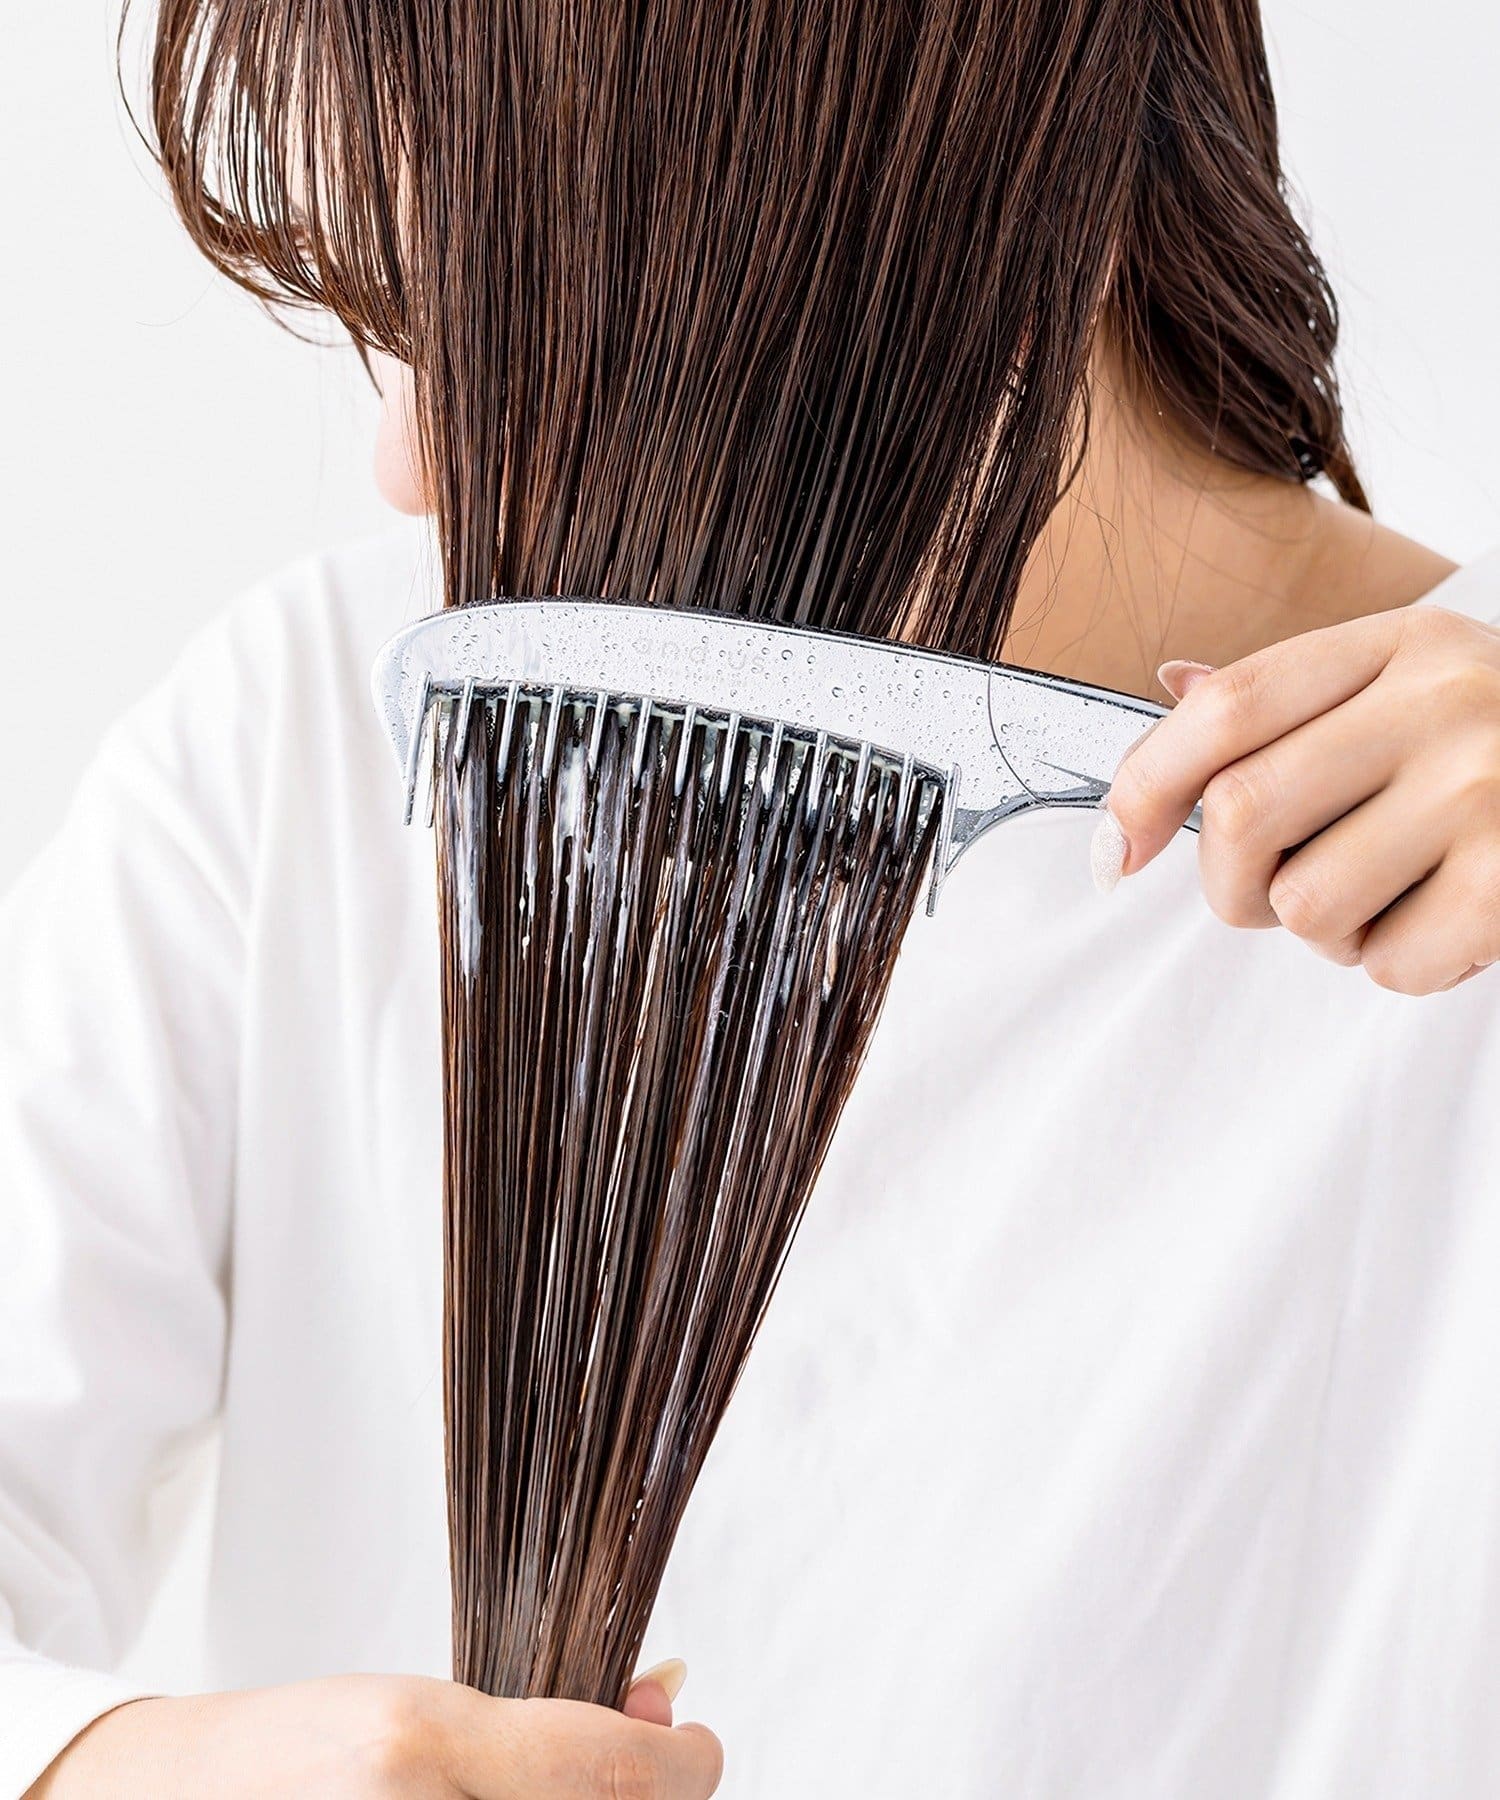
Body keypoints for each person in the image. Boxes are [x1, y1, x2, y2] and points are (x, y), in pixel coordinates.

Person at [6, 10, 1500, 1800]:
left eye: (501, 309)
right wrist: (109, 1769)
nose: (408, 466)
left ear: (893, 190)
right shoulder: (310, 739)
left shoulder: (1469, 901)